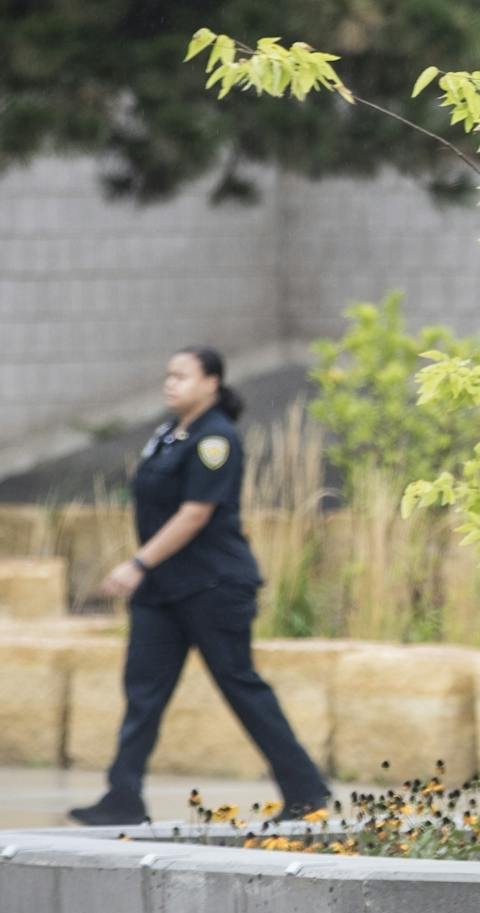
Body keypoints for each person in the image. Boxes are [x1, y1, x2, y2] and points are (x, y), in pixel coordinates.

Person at [69, 346, 330, 827]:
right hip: (163, 590)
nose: (171, 384)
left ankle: (306, 792)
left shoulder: (216, 439)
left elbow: (195, 513)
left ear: (211, 382)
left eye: (182, 376)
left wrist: (137, 564)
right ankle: (123, 796)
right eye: (168, 376)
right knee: (143, 692)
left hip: (213, 586)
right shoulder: (169, 435)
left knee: (240, 685)